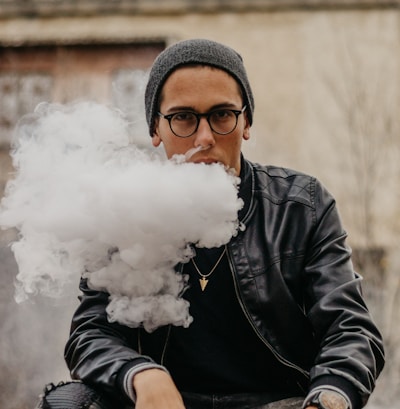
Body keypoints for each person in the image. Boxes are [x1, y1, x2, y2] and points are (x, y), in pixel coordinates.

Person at [35, 38, 384, 409]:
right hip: (165, 404)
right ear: (156, 129)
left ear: (246, 121)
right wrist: (139, 374)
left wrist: (327, 399)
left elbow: (350, 329)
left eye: (222, 115)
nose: (204, 138)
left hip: (277, 402)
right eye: (183, 117)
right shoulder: (125, 210)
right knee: (68, 402)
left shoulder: (302, 207)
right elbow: (89, 334)